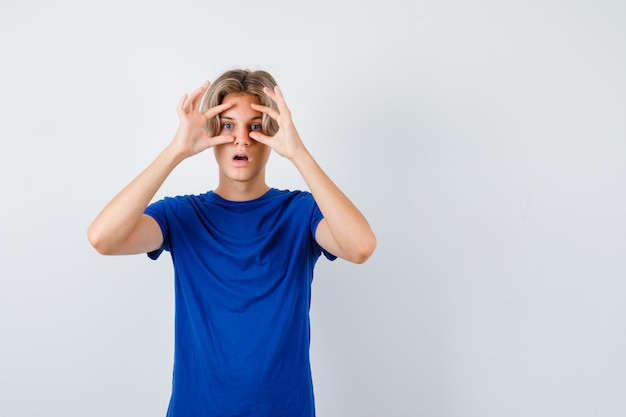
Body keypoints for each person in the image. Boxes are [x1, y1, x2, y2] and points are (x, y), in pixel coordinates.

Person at [87, 69, 376, 417]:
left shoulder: (300, 214)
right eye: (227, 126)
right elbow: (103, 238)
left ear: (271, 134)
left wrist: (299, 154)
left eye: (255, 125)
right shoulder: (183, 215)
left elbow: (360, 246)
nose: (242, 139)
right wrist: (175, 151)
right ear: (211, 134)